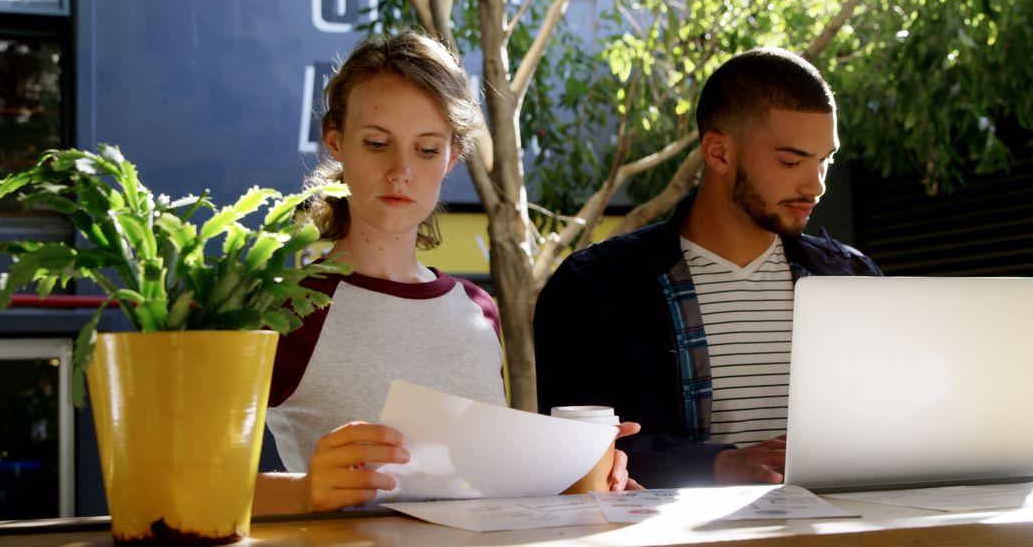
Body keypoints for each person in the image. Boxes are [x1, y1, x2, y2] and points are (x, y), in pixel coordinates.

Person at [253, 31, 638, 515]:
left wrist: (576, 472)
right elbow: (180, 480)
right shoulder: (286, 305)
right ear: (336, 142)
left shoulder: (477, 310)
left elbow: (488, 484)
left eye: (427, 149)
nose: (401, 170)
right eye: (376, 143)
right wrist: (303, 489)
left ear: (453, 156)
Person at [533, 47, 883, 489]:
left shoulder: (854, 280)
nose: (816, 185)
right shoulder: (593, 288)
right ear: (718, 153)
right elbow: (573, 450)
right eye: (792, 162)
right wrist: (719, 463)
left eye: (825, 160)